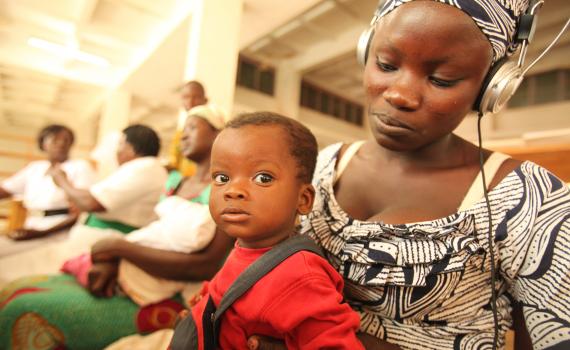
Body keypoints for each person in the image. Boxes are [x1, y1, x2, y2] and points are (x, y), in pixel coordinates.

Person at [251, 1, 570, 350]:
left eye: (441, 80)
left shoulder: (531, 199)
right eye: (386, 65)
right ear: (366, 50)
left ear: (491, 87)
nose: (400, 94)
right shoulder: (323, 165)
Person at [0, 106, 234, 350]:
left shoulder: (223, 189)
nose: (183, 136)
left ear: (219, 133)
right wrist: (114, 258)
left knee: (24, 308)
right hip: (134, 265)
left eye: (192, 128)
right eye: (182, 130)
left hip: (169, 286)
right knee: (16, 291)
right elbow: (156, 234)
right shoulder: (176, 182)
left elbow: (204, 265)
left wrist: (119, 249)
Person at [173, 112, 363, 349]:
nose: (233, 190)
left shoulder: (299, 276)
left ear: (303, 199)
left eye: (263, 178)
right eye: (222, 177)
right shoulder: (246, 248)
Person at [0, 124, 168, 286]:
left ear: (131, 147)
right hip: (83, 238)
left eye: (120, 145)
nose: (117, 151)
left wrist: (62, 181)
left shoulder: (143, 168)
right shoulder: (140, 168)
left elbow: (90, 203)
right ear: (43, 143)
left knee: (9, 273)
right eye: (55, 139)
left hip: (83, 238)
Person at [0, 124, 95, 258]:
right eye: (55, 139)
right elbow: (5, 189)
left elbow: (82, 211)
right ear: (43, 143)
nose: (61, 144)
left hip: (58, 233)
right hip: (31, 227)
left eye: (66, 140)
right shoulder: (35, 169)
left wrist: (41, 233)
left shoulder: (79, 167)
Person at [168, 80, 209, 176]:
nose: (190, 102)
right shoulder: (180, 133)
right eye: (186, 97)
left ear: (205, 100)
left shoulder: (212, 128)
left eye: (196, 97)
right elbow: (174, 163)